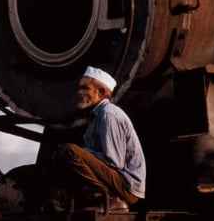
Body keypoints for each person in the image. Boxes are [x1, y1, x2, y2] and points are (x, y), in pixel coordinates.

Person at [52, 66, 146, 211]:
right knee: (63, 153)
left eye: (84, 88)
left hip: (126, 185)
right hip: (116, 180)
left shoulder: (108, 114)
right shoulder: (96, 116)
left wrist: (84, 153)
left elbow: (114, 162)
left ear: (101, 92)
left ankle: (112, 200)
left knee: (71, 151)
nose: (79, 92)